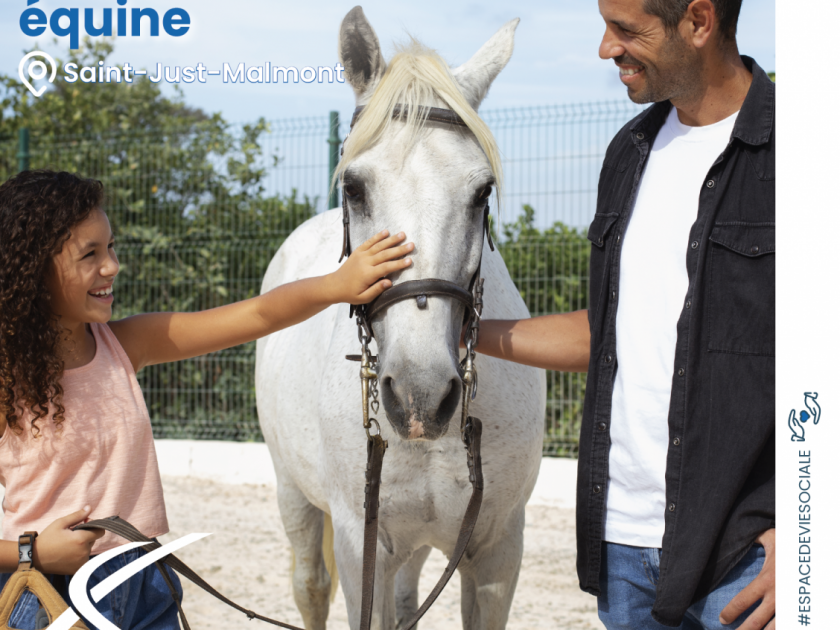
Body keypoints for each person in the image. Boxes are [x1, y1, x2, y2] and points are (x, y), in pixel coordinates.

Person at [0, 169, 413, 629]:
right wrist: (32, 552)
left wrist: (337, 284)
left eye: (111, 246)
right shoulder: (6, 383)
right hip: (46, 593)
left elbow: (256, 314)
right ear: (34, 268)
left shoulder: (125, 344)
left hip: (144, 581)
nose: (112, 265)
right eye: (89, 254)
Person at [473, 0, 774, 628]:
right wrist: (460, 332)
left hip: (747, 558)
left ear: (698, 22)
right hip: (623, 548)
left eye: (626, 30)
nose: (605, 49)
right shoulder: (628, 151)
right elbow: (612, 332)